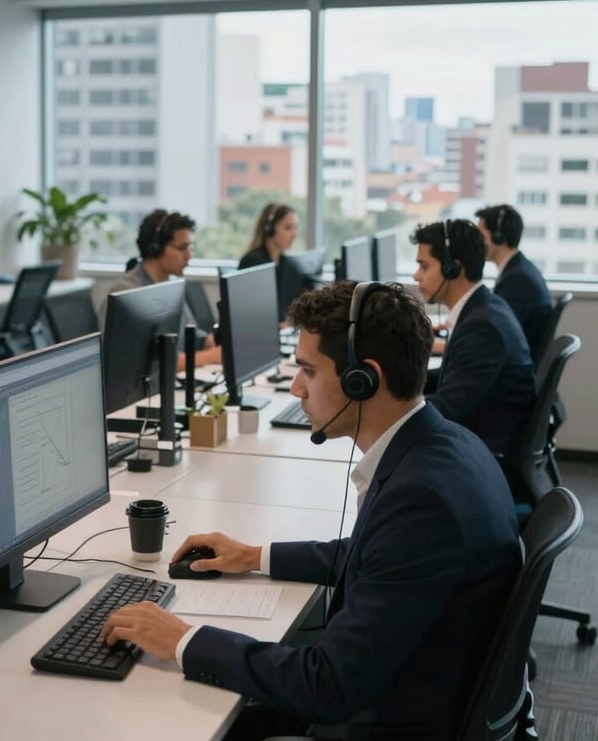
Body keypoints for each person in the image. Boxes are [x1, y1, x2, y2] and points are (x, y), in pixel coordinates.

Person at [101, 280, 522, 740]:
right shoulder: (442, 444)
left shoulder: (423, 502)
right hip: (411, 692)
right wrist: (256, 556)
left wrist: (182, 639)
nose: (297, 387)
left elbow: (327, 686)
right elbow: (377, 556)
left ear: (364, 378)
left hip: (383, 722)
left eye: (308, 370)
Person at [410, 219, 536, 468]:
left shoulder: (482, 326)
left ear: (452, 269)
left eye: (424, 266)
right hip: (484, 436)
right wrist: (399, 385)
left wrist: (387, 412)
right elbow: (454, 378)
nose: (416, 276)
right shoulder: (482, 307)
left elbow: (449, 407)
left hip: (486, 453)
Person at [102, 209, 220, 370]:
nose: (189, 256)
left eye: (190, 247)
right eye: (182, 248)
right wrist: (213, 355)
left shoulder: (170, 285)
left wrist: (212, 341)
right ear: (155, 248)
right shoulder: (127, 293)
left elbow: (192, 337)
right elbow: (157, 363)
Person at [475, 203, 552, 362]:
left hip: (512, 371)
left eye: (480, 236)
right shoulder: (519, 269)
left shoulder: (517, 280)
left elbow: (496, 336)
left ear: (498, 237)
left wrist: (444, 345)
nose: (476, 242)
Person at [238, 202, 299, 270]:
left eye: (296, 227)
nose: (295, 234)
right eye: (288, 228)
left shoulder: (286, 262)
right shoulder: (252, 261)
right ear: (269, 229)